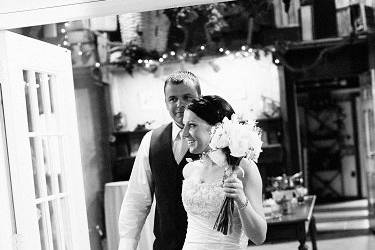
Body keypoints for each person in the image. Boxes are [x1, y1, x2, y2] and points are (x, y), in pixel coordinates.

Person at [118, 71, 201, 250]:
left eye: (187, 97)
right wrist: (127, 243)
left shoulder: (217, 139)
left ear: (199, 98)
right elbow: (137, 198)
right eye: (172, 99)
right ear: (165, 102)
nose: (180, 104)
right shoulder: (151, 140)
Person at [181, 95, 267, 250]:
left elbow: (259, 237)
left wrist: (241, 199)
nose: (184, 133)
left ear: (217, 128)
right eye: (184, 126)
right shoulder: (189, 170)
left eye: (192, 125)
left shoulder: (244, 168)